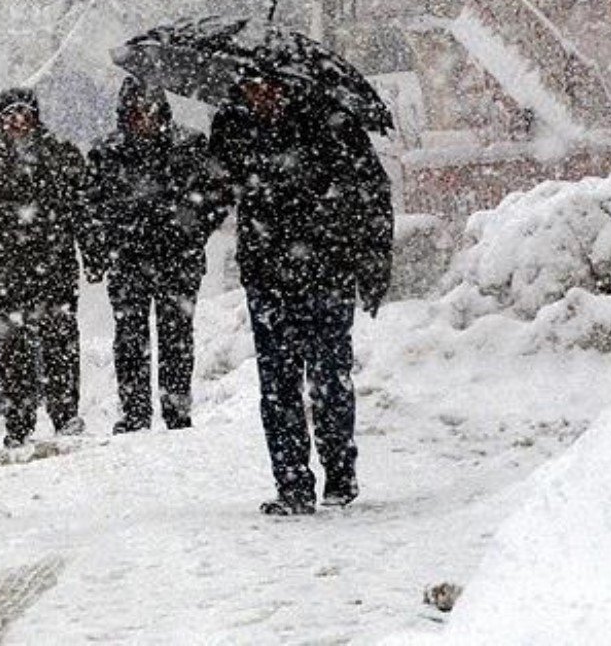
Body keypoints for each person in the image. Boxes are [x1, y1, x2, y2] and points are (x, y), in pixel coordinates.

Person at [210, 75, 393, 516]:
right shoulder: (233, 126)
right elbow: (214, 191)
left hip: (325, 271)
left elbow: (371, 191)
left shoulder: (329, 121)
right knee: (278, 386)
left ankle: (339, 472)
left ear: (287, 85)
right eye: (252, 87)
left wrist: (373, 264)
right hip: (268, 275)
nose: (261, 95)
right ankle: (292, 483)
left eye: (267, 87)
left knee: (329, 378)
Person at [0, 86, 90, 447]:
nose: (17, 121)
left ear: (36, 116)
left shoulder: (62, 155)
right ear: (0, 117)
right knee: (14, 351)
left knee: (60, 344)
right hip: (5, 270)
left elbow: (86, 210)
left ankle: (65, 414)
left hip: (54, 267)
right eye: (10, 113)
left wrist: (95, 254)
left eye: (24, 112)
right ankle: (19, 423)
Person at [84, 79, 230, 433]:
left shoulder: (190, 145)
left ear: (161, 110)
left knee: (176, 336)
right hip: (128, 259)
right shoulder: (106, 153)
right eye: (135, 111)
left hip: (178, 258)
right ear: (125, 114)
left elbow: (218, 195)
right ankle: (135, 413)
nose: (143, 118)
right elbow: (88, 206)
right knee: (130, 337)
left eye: (149, 110)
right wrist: (100, 247)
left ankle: (176, 411)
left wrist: (193, 230)